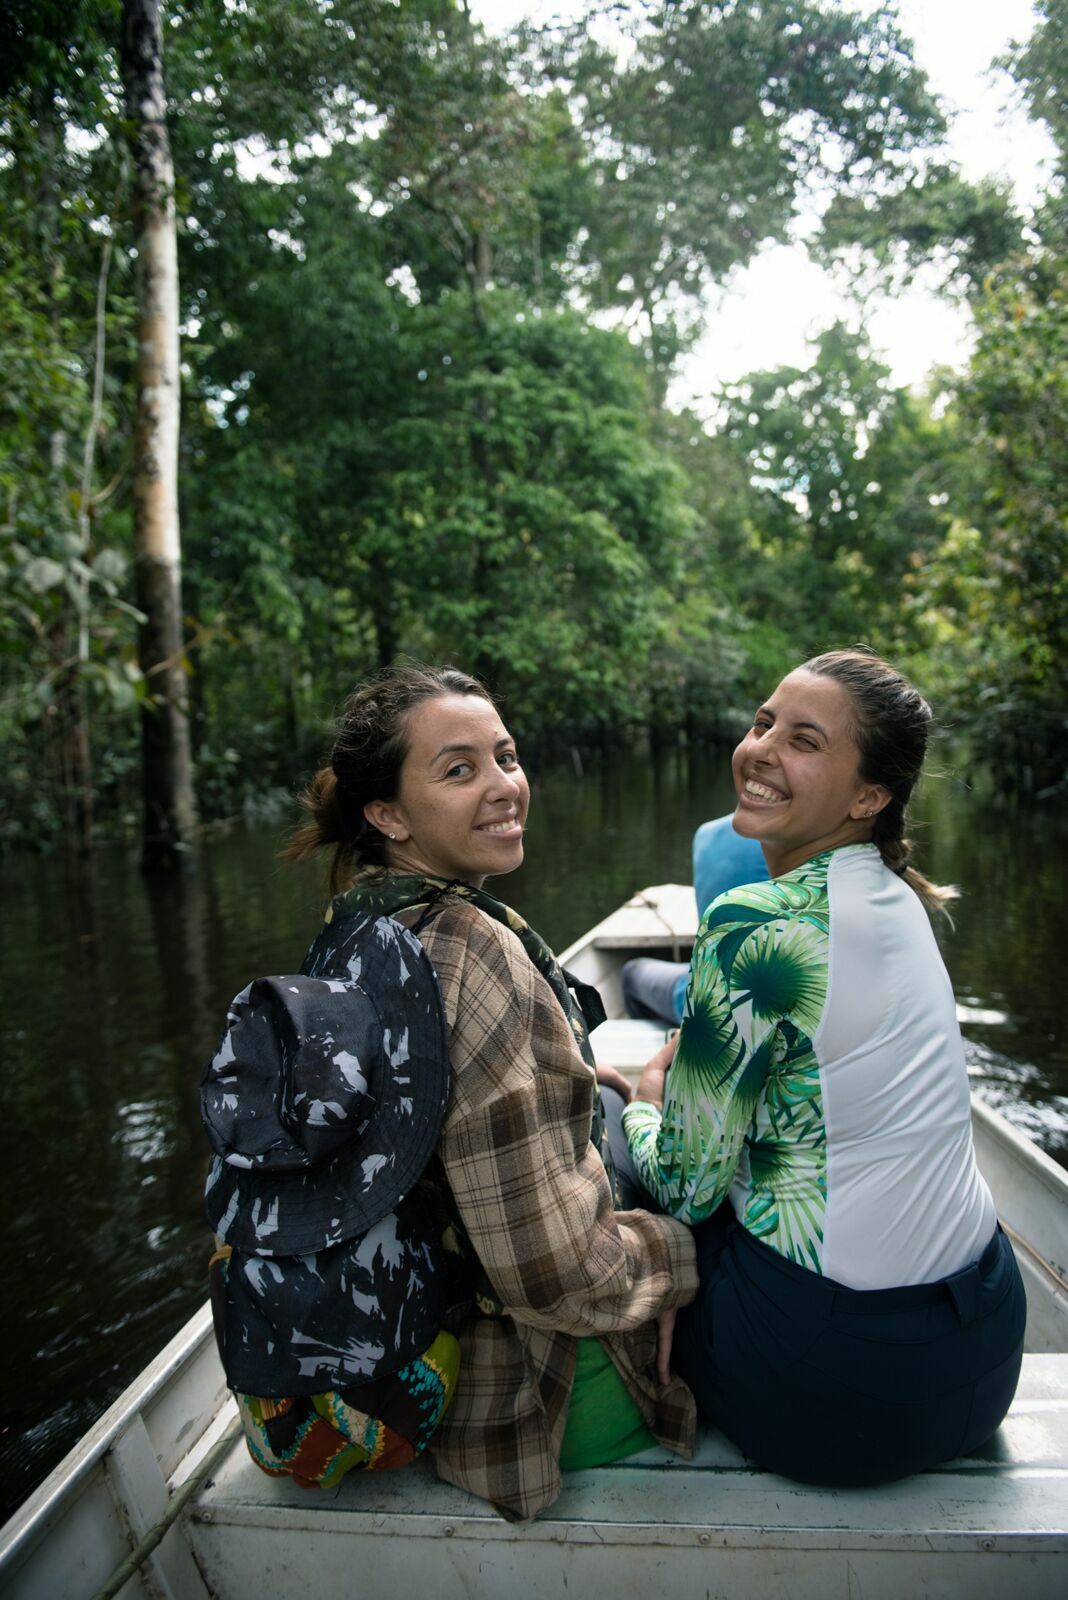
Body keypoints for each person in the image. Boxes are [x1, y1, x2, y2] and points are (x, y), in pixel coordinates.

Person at [213, 664, 698, 1522]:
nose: (505, 787)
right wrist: (678, 1258)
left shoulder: (360, 928)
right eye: (459, 769)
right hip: (532, 1408)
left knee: (619, 1107)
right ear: (388, 814)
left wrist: (585, 1079)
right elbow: (551, 1276)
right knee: (731, 1234)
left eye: (506, 757)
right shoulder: (473, 951)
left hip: (412, 1349)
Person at [620, 648, 1026, 1487]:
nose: (762, 748)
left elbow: (688, 1187)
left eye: (804, 740)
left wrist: (644, 1099)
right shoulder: (903, 895)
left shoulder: (752, 920)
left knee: (618, 1134)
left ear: (869, 796)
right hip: (984, 1352)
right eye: (764, 721)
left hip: (841, 1391)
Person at [621, 815, 767, 1025]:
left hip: (706, 1000)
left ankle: (672, 1042)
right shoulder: (806, 836)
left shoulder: (705, 833)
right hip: (776, 999)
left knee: (631, 973)